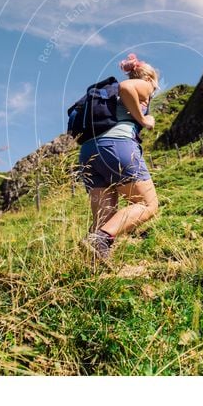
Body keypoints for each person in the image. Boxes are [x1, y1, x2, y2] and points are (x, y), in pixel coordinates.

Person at [78, 53, 160, 262]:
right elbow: (127, 88)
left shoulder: (108, 96)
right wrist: (143, 119)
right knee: (147, 204)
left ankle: (93, 273)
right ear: (150, 78)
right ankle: (100, 240)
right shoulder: (145, 84)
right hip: (117, 147)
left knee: (103, 219)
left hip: (89, 152)